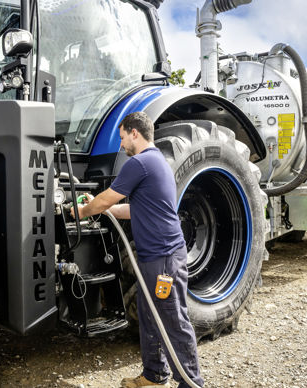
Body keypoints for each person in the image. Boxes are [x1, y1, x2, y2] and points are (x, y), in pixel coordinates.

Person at [70, 112, 204, 388]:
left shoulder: (140, 163)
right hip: (155, 257)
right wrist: (103, 210)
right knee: (149, 314)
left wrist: (83, 211)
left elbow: (107, 198)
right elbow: (131, 208)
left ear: (134, 133)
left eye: (121, 138)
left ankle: (193, 383)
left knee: (172, 319)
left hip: (163, 260)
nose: (121, 145)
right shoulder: (157, 163)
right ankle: (155, 375)